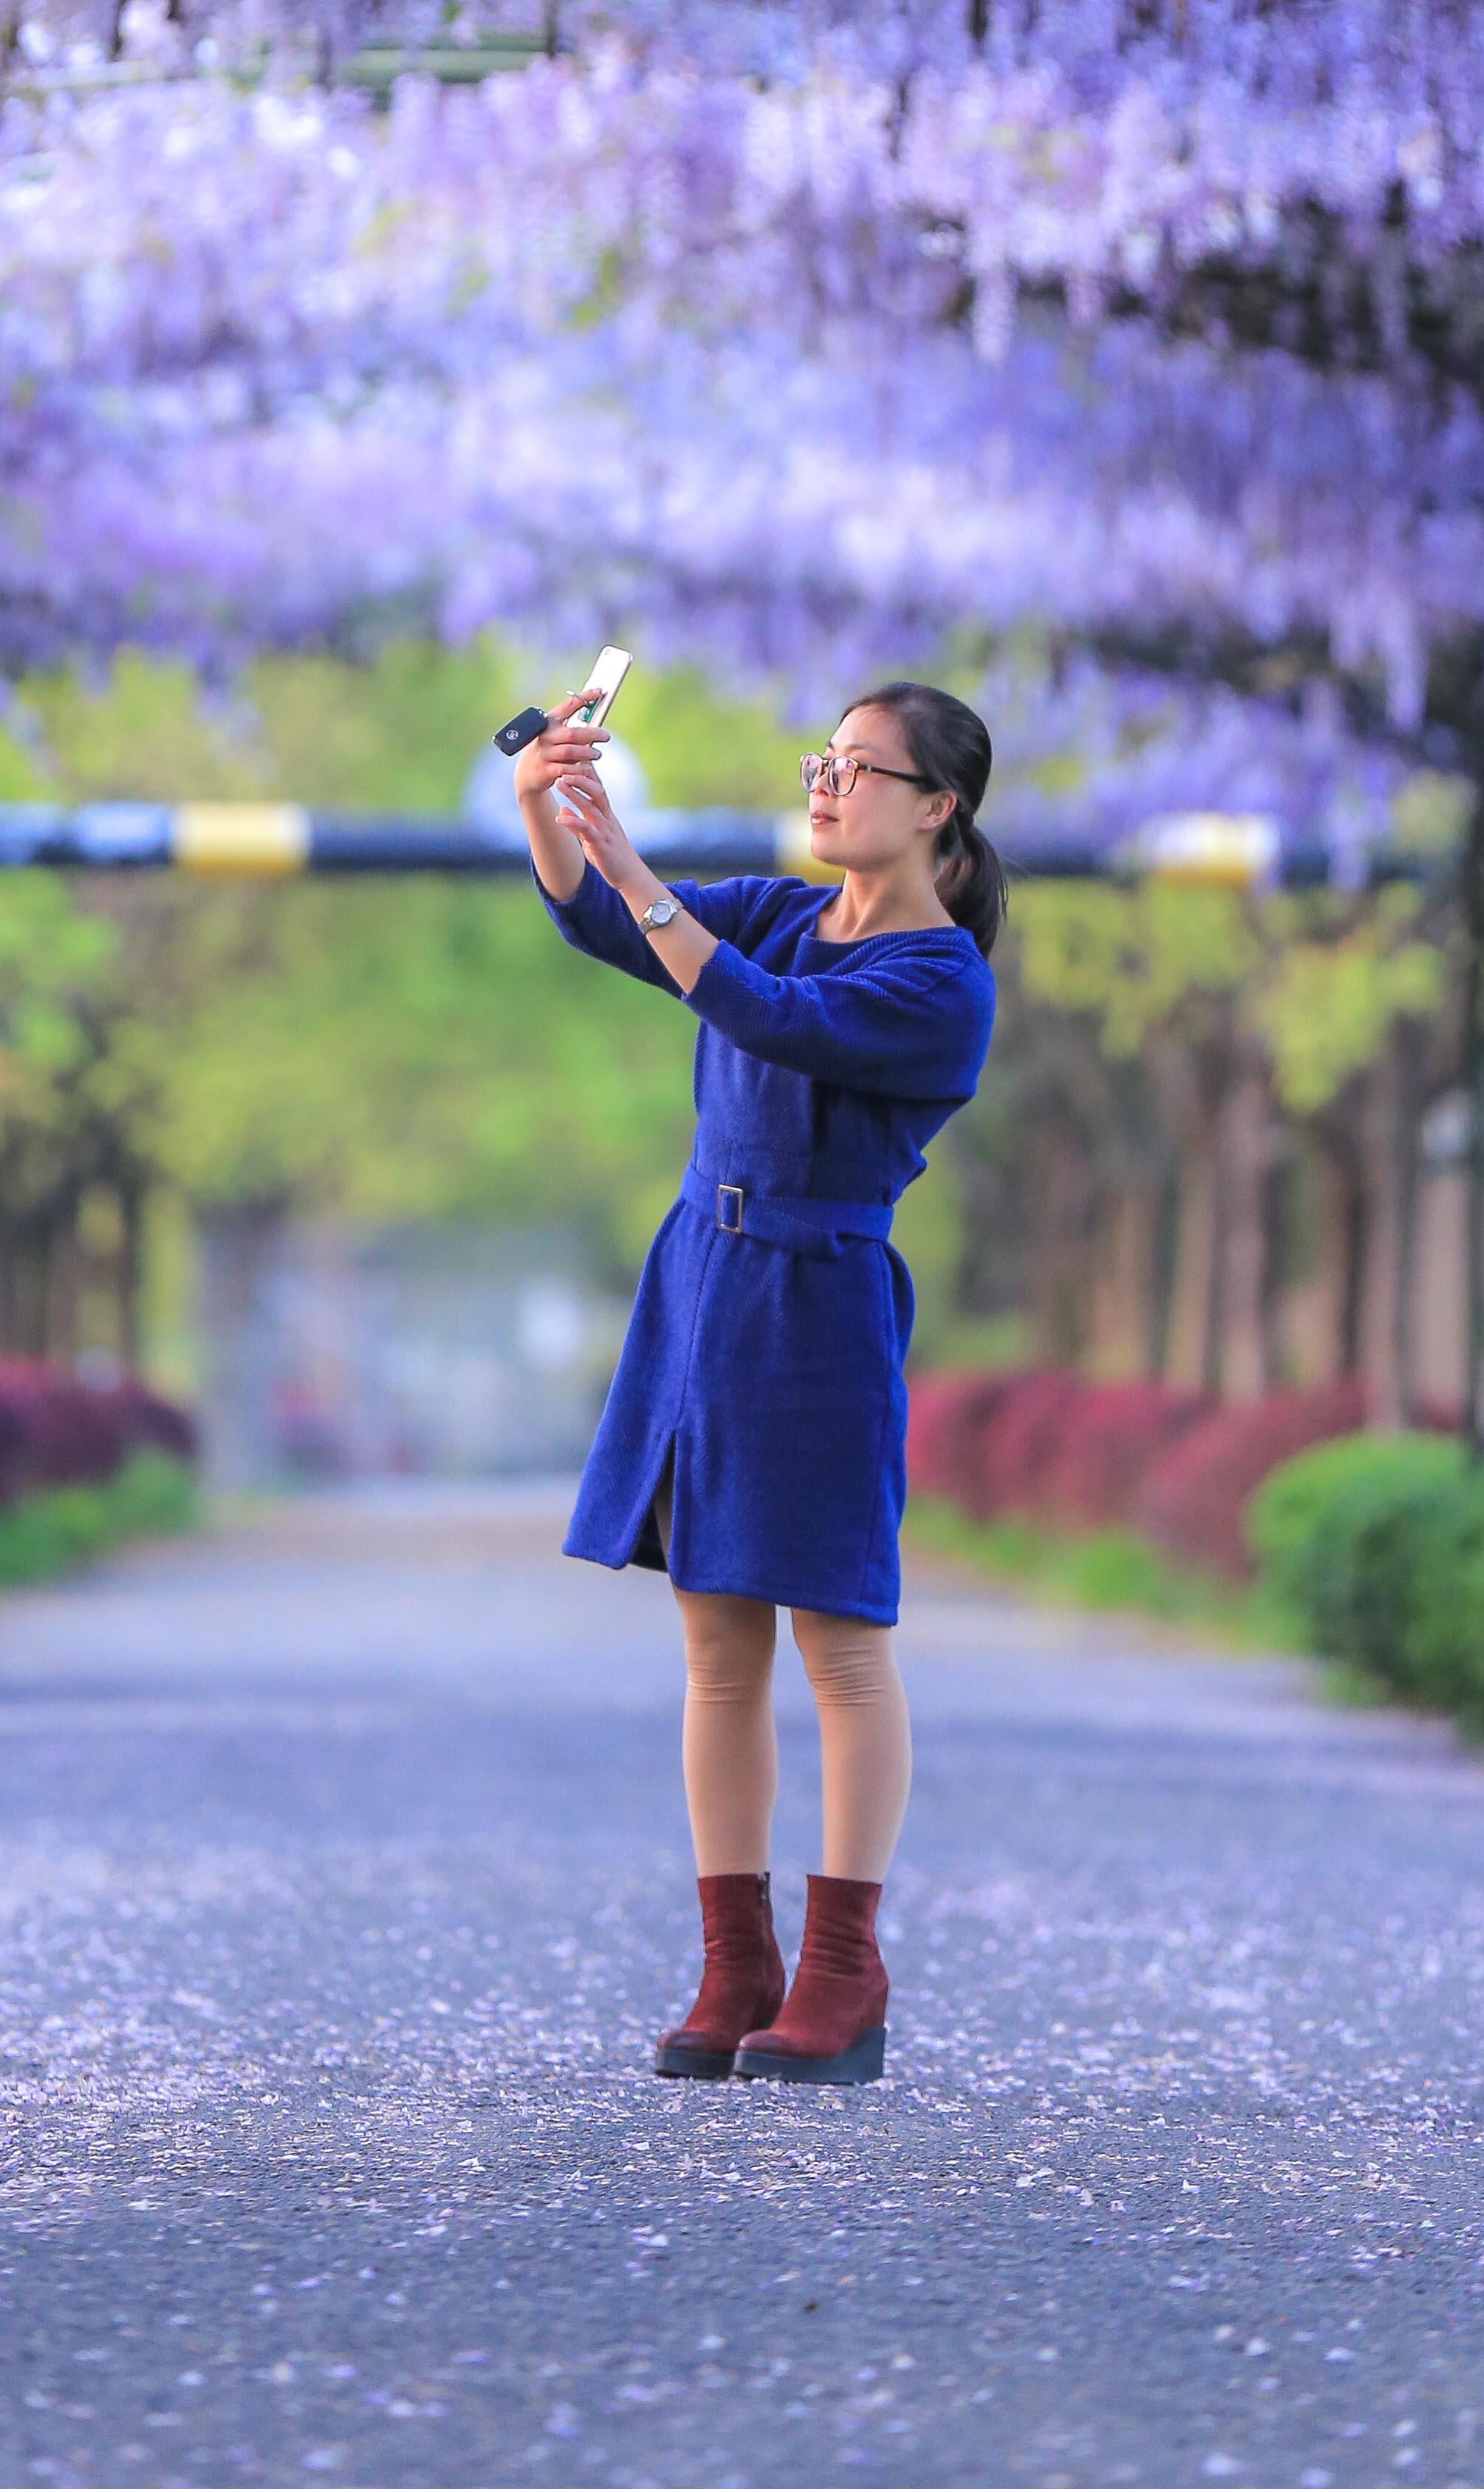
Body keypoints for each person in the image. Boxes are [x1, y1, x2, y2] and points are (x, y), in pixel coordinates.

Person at [515, 679, 1002, 2086]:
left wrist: (637, 870)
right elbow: (604, 925)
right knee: (714, 1647)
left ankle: (845, 1970)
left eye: (860, 768)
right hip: (703, 1293)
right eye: (823, 760)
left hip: (818, 1300)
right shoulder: (790, 907)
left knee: (839, 1644)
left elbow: (768, 1015)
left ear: (938, 806)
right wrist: (550, 804)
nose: (828, 784)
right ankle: (740, 1964)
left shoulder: (938, 978)